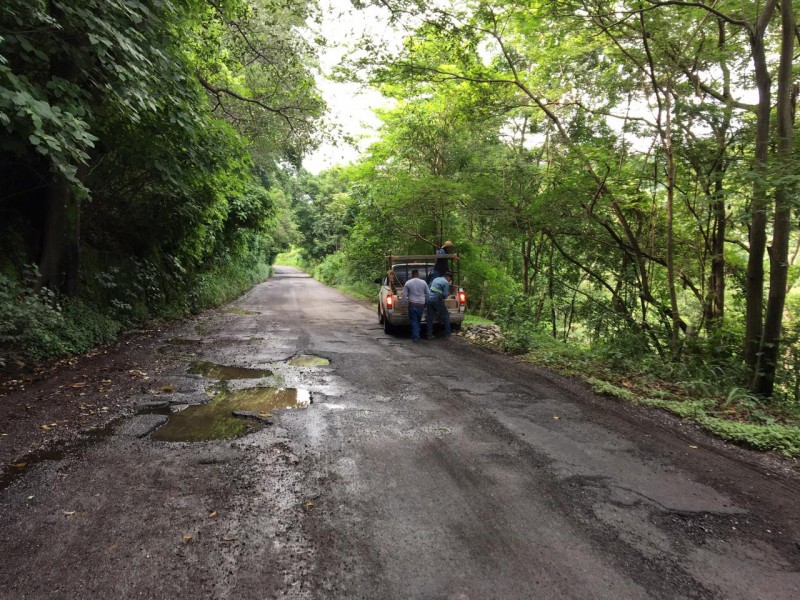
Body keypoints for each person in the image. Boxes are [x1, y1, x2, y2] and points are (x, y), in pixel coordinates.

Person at [401, 269, 429, 343]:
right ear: (418, 274)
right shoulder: (424, 282)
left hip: (412, 304)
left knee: (414, 320)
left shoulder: (408, 283)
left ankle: (415, 337)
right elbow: (428, 294)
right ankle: (417, 334)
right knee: (418, 320)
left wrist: (403, 304)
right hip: (421, 304)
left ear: (411, 275)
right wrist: (426, 301)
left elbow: (404, 295)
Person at [426, 271, 453, 339]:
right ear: (448, 277)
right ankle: (448, 333)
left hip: (429, 299)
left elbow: (429, 287)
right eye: (450, 279)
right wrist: (450, 296)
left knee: (430, 317)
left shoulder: (436, 279)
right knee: (446, 315)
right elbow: (445, 295)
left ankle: (429, 335)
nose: (450, 280)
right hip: (437, 299)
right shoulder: (446, 282)